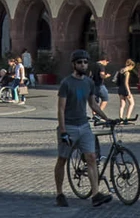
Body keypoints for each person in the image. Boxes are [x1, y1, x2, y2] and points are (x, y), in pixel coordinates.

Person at [55, 50, 113, 208]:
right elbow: (61, 109)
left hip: (84, 125)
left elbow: (93, 104)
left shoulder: (89, 82)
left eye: (85, 62)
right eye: (79, 62)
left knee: (91, 157)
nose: (83, 65)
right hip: (69, 126)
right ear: (74, 64)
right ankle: (59, 193)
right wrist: (63, 131)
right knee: (62, 159)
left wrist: (106, 118)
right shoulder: (66, 83)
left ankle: (96, 195)